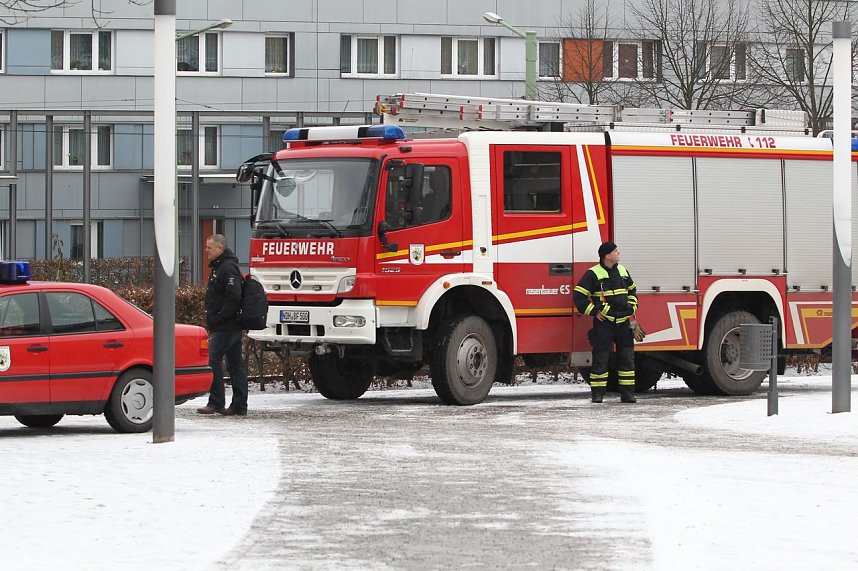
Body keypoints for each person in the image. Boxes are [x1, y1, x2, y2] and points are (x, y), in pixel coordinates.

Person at [573, 241, 639, 404]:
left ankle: (628, 394)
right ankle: (597, 395)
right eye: (616, 251)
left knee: (627, 359)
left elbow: (632, 291)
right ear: (607, 255)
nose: (619, 252)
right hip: (605, 324)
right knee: (601, 359)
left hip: (623, 323)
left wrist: (632, 306)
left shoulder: (623, 271)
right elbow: (578, 296)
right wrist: (594, 312)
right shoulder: (593, 273)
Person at [197, 234, 249, 416]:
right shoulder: (222, 267)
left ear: (219, 249)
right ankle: (239, 405)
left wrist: (220, 317)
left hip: (227, 325)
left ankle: (217, 402)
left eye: (209, 248)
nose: (206, 251)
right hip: (228, 324)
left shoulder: (227, 268)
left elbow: (233, 295)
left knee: (211, 359)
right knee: (235, 363)